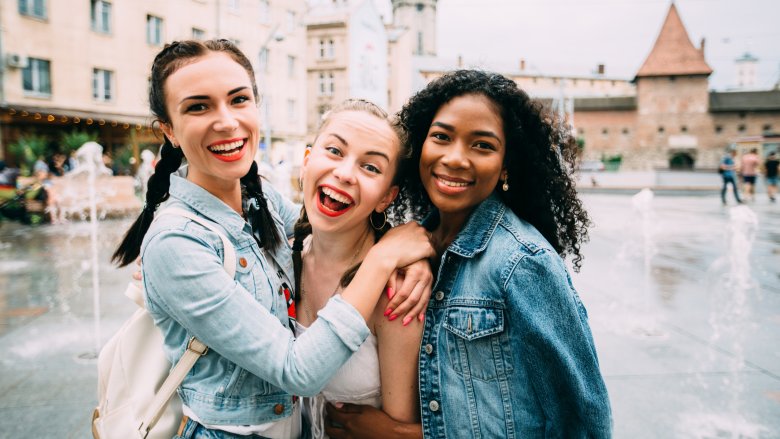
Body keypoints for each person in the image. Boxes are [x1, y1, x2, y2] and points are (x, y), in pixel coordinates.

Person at [111, 39, 434, 439]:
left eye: (238, 99)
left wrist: (413, 254)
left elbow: (330, 227)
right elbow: (297, 371)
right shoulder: (176, 241)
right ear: (169, 131)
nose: (226, 121)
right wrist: (384, 259)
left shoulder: (261, 205)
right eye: (198, 106)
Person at [326, 70, 612, 438]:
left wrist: (400, 435)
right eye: (441, 137)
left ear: (507, 164)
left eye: (482, 145)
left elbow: (586, 424)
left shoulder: (522, 262)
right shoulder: (413, 244)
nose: (456, 158)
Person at [292, 99, 427, 438]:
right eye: (335, 151)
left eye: (371, 168)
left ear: (386, 198)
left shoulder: (397, 290)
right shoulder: (282, 255)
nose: (345, 173)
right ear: (307, 162)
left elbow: (398, 426)